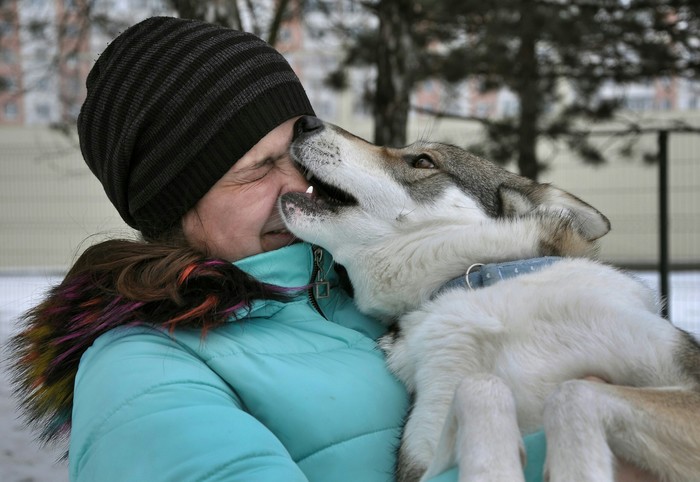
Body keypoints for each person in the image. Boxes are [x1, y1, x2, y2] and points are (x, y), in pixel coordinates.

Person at [9, 16, 655, 482]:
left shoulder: (363, 293)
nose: (299, 185)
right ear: (178, 213)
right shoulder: (140, 375)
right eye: (257, 171)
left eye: (295, 151)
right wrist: (596, 452)